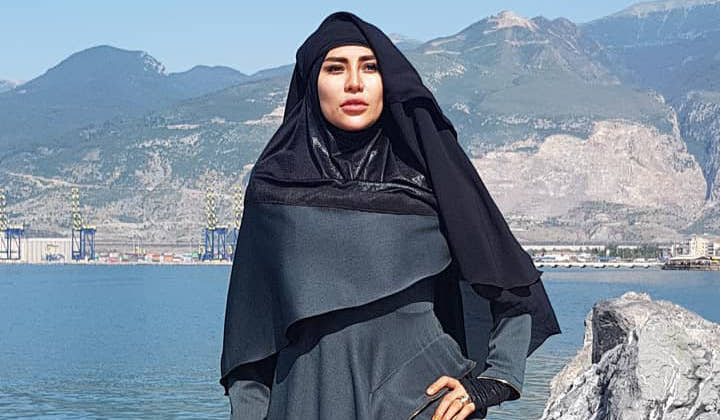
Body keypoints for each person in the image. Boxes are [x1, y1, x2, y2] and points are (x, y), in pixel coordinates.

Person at [220, 11, 561, 420]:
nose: (354, 83)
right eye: (335, 68)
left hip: (423, 406)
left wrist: (494, 380)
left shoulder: (431, 178)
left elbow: (512, 287)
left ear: (388, 81)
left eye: (370, 67)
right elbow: (249, 343)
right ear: (312, 82)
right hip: (306, 404)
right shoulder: (273, 190)